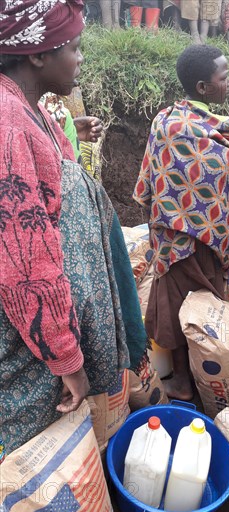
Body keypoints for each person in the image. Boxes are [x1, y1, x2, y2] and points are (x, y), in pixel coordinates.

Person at [0, 0, 148, 455]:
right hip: (33, 339)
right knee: (30, 454)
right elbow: (24, 262)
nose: (81, 58)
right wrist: (65, 357)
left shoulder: (29, 106)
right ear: (38, 55)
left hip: (46, 329)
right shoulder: (6, 124)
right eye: (75, 47)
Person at [133, 45, 229, 400]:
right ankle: (194, 381)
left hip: (173, 241)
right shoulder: (211, 133)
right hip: (205, 242)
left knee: (177, 309)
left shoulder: (165, 122)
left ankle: (187, 377)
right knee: (201, 309)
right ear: (203, 88)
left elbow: (151, 181)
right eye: (223, 77)